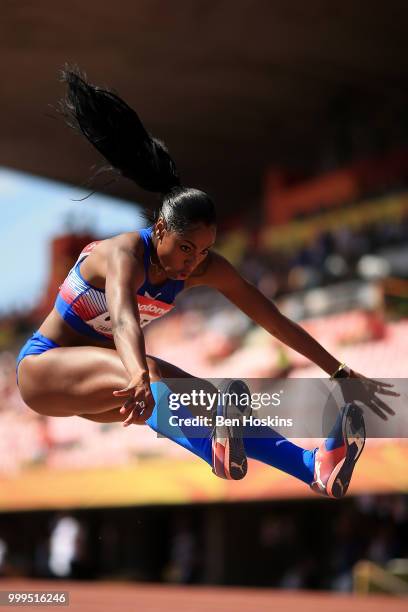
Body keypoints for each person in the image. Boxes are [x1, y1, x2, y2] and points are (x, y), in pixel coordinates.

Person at [16, 68, 392, 498]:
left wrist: (339, 371)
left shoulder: (204, 268)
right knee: (158, 374)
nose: (192, 264)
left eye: (203, 251)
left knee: (208, 399)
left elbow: (272, 319)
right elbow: (123, 320)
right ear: (159, 230)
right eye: (185, 249)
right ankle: (210, 448)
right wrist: (140, 373)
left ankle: (313, 468)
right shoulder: (120, 254)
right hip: (44, 373)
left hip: (112, 380)